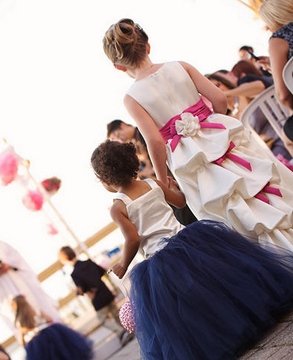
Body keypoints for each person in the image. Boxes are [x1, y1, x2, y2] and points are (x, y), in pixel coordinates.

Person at [90, 139, 293, 360]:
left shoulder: (118, 207)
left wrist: (122, 264)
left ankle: (220, 339)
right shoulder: (153, 184)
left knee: (189, 308)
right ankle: (247, 317)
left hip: (160, 258)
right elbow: (180, 202)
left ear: (104, 179)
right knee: (216, 285)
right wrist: (173, 187)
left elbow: (134, 239)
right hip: (188, 241)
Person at [102, 18, 293, 251]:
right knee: (261, 183)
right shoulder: (180, 66)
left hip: (189, 158)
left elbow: (154, 141)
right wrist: (209, 122)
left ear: (118, 66)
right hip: (220, 137)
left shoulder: (132, 97)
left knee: (227, 209)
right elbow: (220, 100)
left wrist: (163, 180)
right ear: (147, 46)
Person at [107, 119, 197, 226]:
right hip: (163, 185)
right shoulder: (134, 145)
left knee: (187, 216)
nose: (119, 139)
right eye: (115, 139)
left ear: (122, 125)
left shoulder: (142, 133)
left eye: (117, 135)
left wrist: (163, 180)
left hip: (168, 180)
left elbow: (158, 151)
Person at [0, 229, 61, 326]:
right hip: (3, 290)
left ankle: (49, 322)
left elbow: (15, 255)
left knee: (33, 301)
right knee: (15, 313)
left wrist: (8, 264)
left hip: (16, 279)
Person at [11, 295, 94, 360]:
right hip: (49, 333)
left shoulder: (19, 322)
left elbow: (22, 341)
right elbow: (49, 319)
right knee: (61, 354)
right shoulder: (36, 311)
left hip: (36, 342)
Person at [58, 246, 134, 347]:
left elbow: (80, 289)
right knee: (116, 314)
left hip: (97, 298)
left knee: (102, 319)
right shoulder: (89, 262)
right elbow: (102, 271)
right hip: (106, 292)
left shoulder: (74, 274)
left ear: (66, 260)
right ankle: (128, 331)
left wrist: (81, 291)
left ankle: (121, 332)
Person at [258, 0, 293, 157]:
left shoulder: (279, 39)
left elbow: (283, 95)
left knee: (287, 136)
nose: (266, 28)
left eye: (266, 22)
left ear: (274, 18)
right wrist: (276, 69)